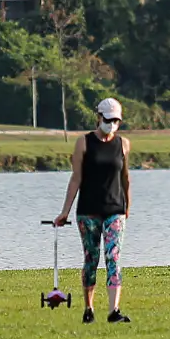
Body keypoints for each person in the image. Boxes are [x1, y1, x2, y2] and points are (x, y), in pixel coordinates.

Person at [55, 97, 131, 325]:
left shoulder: (123, 144)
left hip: (115, 208)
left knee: (113, 258)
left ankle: (113, 310)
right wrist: (65, 212)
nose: (111, 124)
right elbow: (76, 178)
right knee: (91, 258)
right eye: (108, 120)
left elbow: (125, 177)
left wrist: (128, 205)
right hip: (88, 210)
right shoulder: (84, 143)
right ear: (98, 117)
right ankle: (88, 308)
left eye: (116, 120)